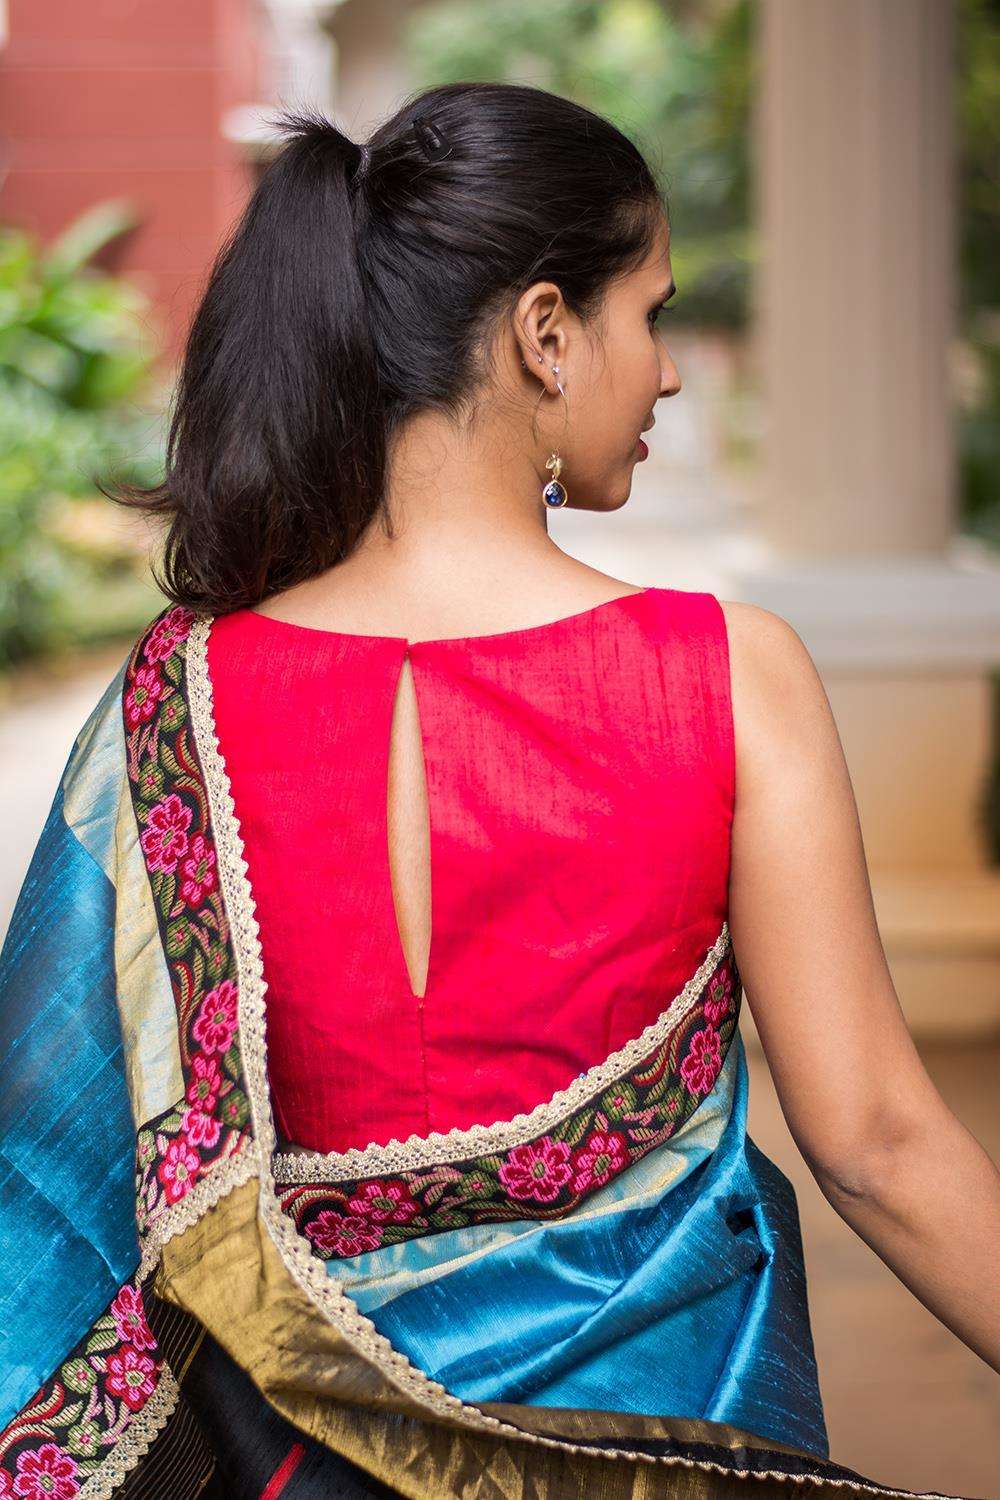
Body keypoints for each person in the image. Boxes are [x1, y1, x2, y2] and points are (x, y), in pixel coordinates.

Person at [0, 81, 995, 1500]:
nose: (663, 374)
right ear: (544, 332)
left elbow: (41, 1185)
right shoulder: (724, 678)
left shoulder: (180, 706)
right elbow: (883, 1147)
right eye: (647, 317)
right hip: (664, 1446)